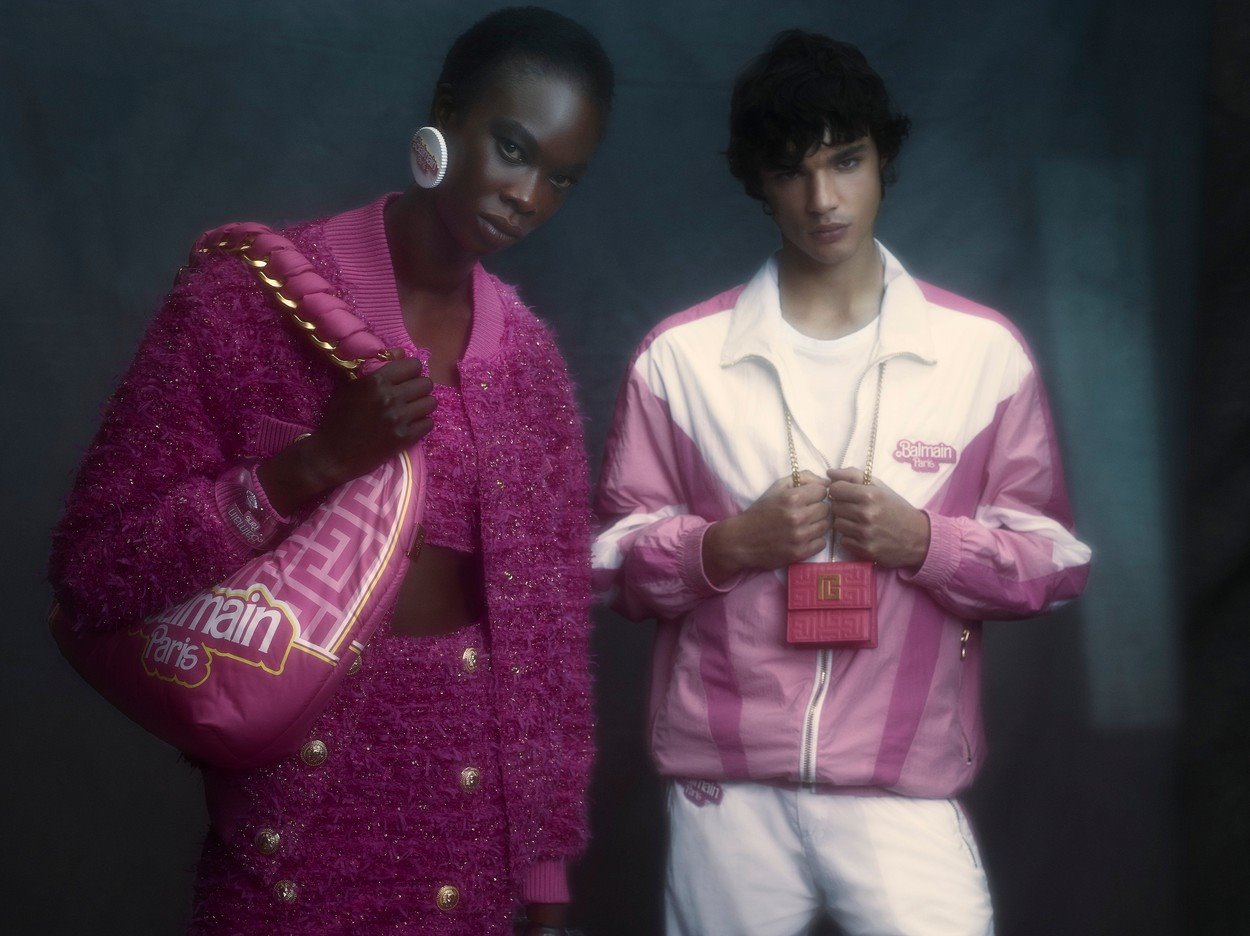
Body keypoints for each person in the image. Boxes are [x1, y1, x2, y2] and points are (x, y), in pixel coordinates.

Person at [49, 7, 612, 934]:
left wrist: (546, 885)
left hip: (468, 827)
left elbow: (547, 644)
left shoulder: (532, 365)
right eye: (513, 148)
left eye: (559, 178)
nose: (526, 195)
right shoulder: (249, 298)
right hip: (288, 822)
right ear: (447, 113)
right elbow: (95, 568)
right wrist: (312, 464)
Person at [593, 30, 1090, 936]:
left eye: (846, 161)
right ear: (758, 181)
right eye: (792, 171)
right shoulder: (681, 360)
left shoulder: (981, 356)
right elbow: (609, 562)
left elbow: (1054, 562)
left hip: (902, 786)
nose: (823, 200)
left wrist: (927, 543)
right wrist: (725, 546)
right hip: (727, 792)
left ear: (883, 159)